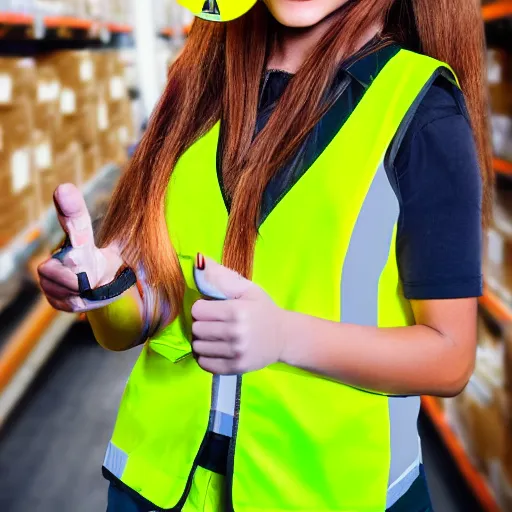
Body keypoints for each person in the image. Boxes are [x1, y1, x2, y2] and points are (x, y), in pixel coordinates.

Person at [37, 0, 491, 510]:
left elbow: (450, 358)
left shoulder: (420, 110)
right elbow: (148, 315)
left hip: (325, 491)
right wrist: (105, 287)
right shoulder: (198, 86)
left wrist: (282, 337)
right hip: (157, 488)